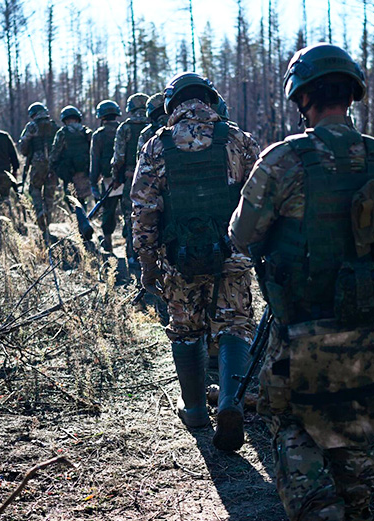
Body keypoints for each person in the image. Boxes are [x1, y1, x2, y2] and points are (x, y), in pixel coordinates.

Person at [228, 43, 374, 521]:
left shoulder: (282, 160)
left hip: (298, 334)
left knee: (290, 423)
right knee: (354, 429)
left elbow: (241, 234)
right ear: (350, 96)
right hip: (366, 330)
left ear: (302, 98)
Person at [131, 72, 260, 451]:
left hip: (179, 259)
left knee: (185, 330)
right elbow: (260, 199)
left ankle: (194, 410)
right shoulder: (238, 139)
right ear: (210, 99)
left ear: (171, 103)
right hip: (232, 255)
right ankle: (230, 401)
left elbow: (143, 210)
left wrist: (148, 264)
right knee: (235, 325)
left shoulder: (157, 146)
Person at [110, 92, 149, 266]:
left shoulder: (125, 128)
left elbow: (118, 158)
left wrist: (116, 178)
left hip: (132, 179)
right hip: (155, 179)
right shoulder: (155, 125)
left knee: (130, 217)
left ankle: (132, 257)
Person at [18, 102, 60, 233]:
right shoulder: (54, 126)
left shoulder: (31, 126)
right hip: (53, 164)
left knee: (34, 189)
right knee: (49, 194)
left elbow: (23, 147)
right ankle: (47, 220)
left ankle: (40, 212)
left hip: (38, 162)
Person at [89, 100, 122, 252]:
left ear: (101, 116)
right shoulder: (124, 129)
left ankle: (108, 244)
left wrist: (93, 182)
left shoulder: (99, 135)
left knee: (108, 211)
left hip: (109, 180)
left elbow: (95, 160)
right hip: (128, 177)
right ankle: (131, 248)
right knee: (130, 212)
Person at [50, 105, 93, 203]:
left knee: (70, 198)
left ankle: (78, 212)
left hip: (69, 171)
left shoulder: (62, 133)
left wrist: (53, 167)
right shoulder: (87, 132)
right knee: (82, 198)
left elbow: (55, 153)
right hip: (84, 170)